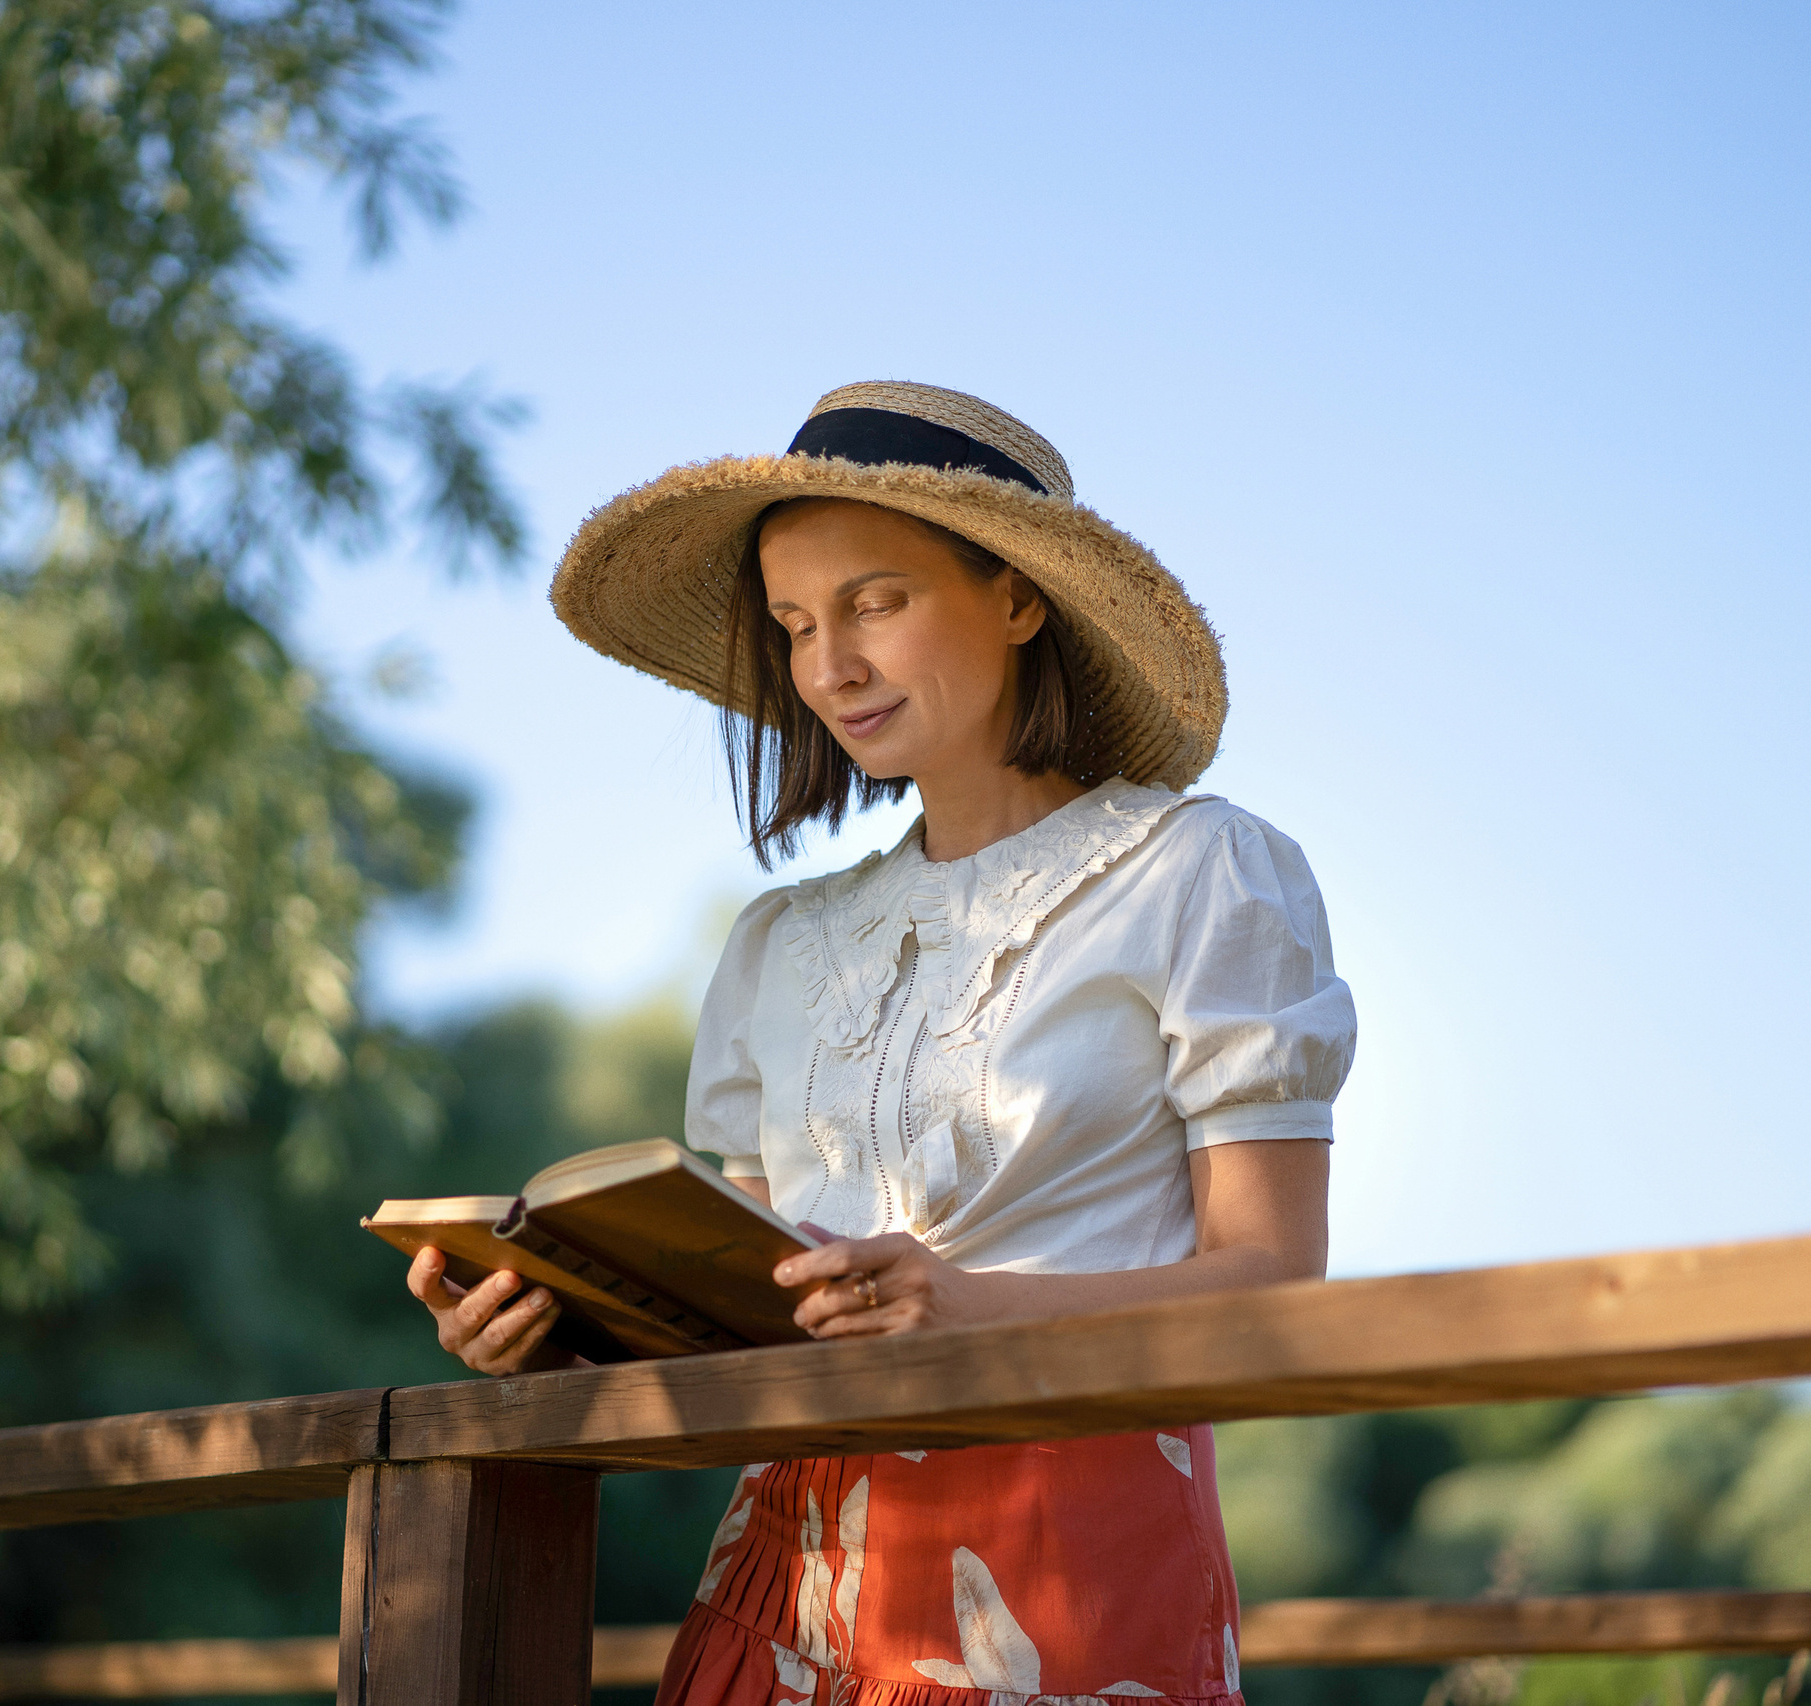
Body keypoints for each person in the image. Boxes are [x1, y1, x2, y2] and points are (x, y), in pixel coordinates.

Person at [406, 382, 1355, 1704]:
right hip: (785, 1566)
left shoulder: (1201, 870)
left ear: (1020, 596)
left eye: (875, 602)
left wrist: (967, 1305)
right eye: (796, 624)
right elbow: (736, 1325)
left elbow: (1276, 1283)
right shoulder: (779, 944)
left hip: (1064, 1563)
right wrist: (555, 1337)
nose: (828, 665)